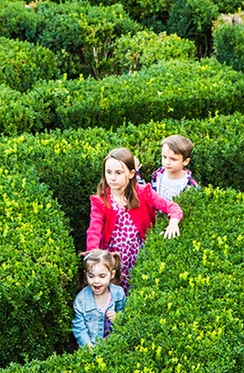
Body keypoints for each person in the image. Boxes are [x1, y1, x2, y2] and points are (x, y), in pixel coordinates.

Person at [87, 147, 183, 292]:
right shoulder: (101, 200)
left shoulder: (144, 193)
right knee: (113, 290)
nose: (112, 178)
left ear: (131, 173)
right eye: (108, 172)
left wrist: (174, 221)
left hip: (137, 253)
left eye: (118, 173)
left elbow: (171, 207)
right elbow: (94, 230)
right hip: (113, 256)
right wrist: (94, 257)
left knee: (136, 289)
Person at [72, 249, 127, 348]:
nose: (96, 281)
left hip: (114, 346)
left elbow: (126, 316)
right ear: (86, 275)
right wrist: (88, 346)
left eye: (102, 276)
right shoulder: (81, 300)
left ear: (112, 274)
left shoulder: (118, 294)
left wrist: (118, 318)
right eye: (91, 276)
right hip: (92, 347)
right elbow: (79, 327)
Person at [149, 135, 199, 201]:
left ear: (185, 161)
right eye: (164, 157)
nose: (167, 162)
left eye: (173, 159)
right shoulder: (157, 175)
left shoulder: (190, 185)